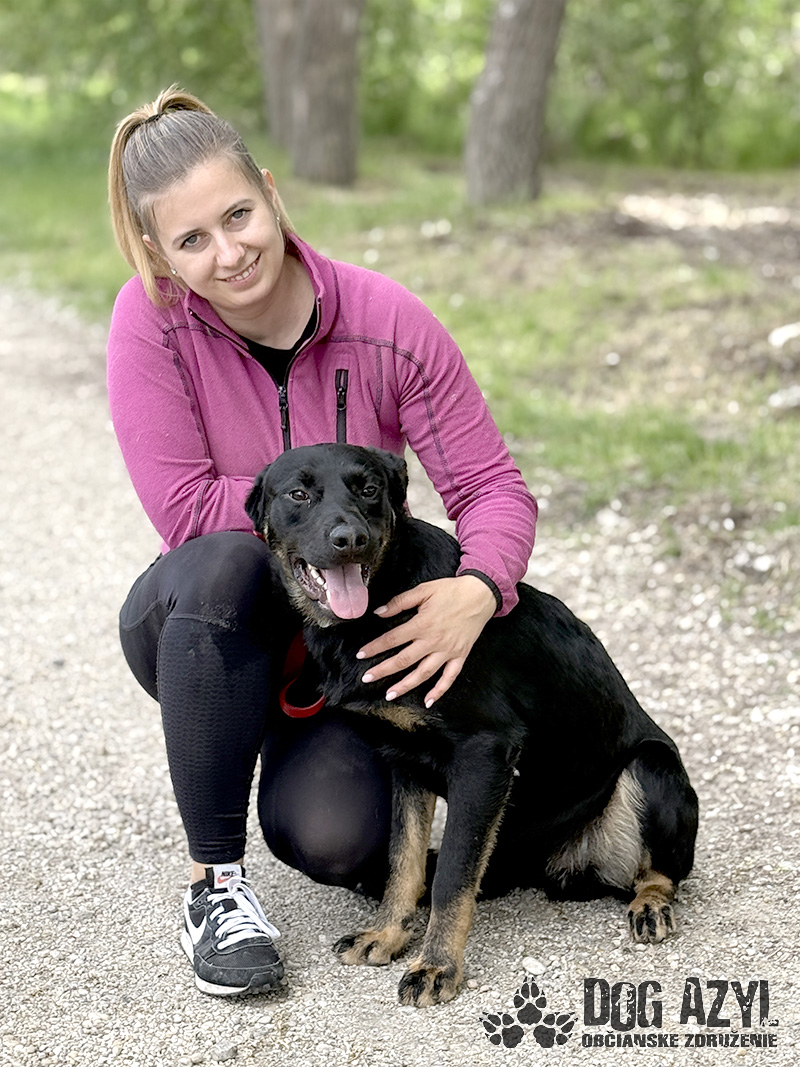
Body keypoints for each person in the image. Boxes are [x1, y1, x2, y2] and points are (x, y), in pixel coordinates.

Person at [107, 86, 538, 998]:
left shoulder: (388, 321)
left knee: (339, 840)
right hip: (214, 625)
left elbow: (491, 487)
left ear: (271, 192)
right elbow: (185, 506)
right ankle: (215, 886)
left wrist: (479, 588)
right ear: (159, 252)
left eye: (238, 215)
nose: (229, 253)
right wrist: (308, 516)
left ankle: (296, 754)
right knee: (228, 561)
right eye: (192, 239)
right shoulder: (150, 322)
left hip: (350, 654)